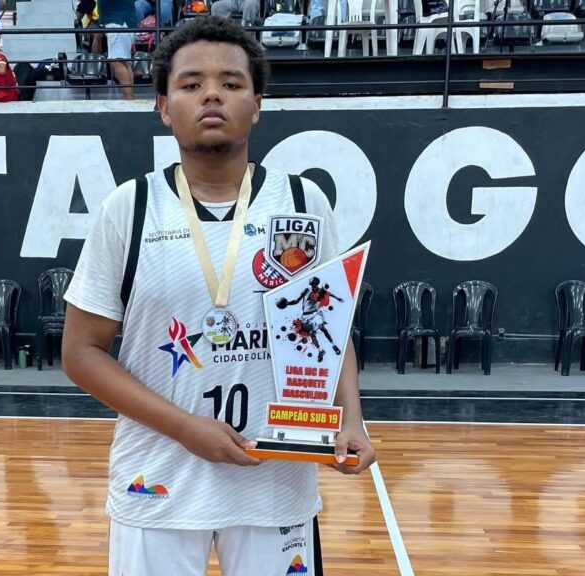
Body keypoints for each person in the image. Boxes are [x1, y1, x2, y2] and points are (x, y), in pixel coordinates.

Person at [62, 16, 376, 576]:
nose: (212, 94)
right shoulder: (128, 208)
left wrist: (352, 417)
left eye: (231, 83)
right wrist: (185, 427)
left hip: (275, 477)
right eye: (191, 84)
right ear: (164, 107)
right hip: (156, 479)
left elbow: (331, 328)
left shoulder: (303, 202)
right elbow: (80, 353)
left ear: (256, 104)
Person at [96, 0, 136, 99]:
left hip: (119, 23)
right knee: (124, 62)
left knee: (116, 61)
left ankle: (129, 99)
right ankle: (131, 98)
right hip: (122, 23)